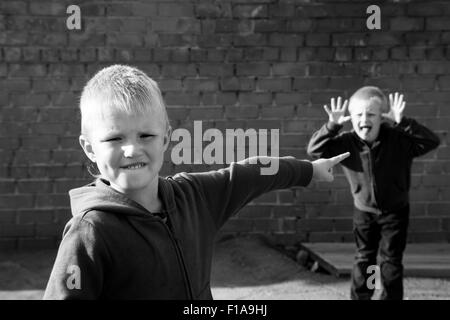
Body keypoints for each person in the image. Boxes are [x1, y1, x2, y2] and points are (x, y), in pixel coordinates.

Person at [43, 64, 349, 300]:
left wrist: (309, 170)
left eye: (146, 135)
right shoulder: (90, 232)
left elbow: (251, 173)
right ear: (89, 148)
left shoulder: (194, 197)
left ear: (166, 138)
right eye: (114, 137)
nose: (132, 149)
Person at [307, 86, 440, 300]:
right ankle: (364, 296)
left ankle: (389, 297)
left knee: (391, 261)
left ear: (382, 117)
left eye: (371, 114)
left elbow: (431, 141)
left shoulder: (399, 139)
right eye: (359, 114)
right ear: (351, 118)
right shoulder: (346, 143)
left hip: (395, 212)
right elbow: (315, 150)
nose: (364, 119)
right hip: (364, 212)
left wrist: (403, 122)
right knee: (365, 259)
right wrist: (332, 126)